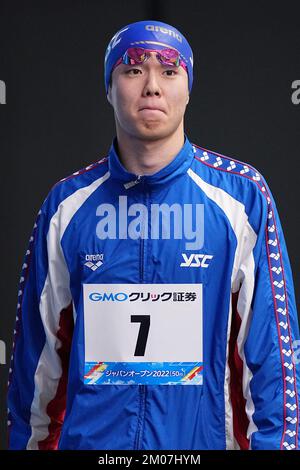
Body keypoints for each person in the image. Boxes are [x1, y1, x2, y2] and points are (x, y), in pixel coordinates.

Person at [7, 19, 300, 451]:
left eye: (168, 70)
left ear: (188, 87)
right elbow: (38, 368)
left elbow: (273, 362)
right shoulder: (65, 206)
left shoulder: (242, 198)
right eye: (131, 69)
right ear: (109, 88)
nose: (151, 86)